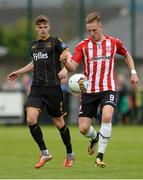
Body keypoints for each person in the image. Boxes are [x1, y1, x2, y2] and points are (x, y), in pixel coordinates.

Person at [60, 11, 138, 167]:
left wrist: (133, 72)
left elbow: (127, 55)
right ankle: (94, 138)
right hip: (89, 91)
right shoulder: (83, 46)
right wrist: (65, 63)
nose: (91, 33)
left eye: (94, 30)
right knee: (83, 128)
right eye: (89, 30)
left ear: (101, 26)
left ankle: (100, 156)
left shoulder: (114, 43)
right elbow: (73, 66)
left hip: (108, 88)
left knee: (107, 116)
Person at [7, 15, 74, 169]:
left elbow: (68, 56)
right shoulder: (33, 45)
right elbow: (34, 63)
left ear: (48, 27)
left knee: (59, 123)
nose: (43, 29)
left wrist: (64, 69)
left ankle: (70, 154)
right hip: (36, 88)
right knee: (31, 119)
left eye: (45, 27)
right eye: (40, 27)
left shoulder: (56, 41)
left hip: (53, 89)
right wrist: (19, 72)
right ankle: (45, 153)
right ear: (36, 28)